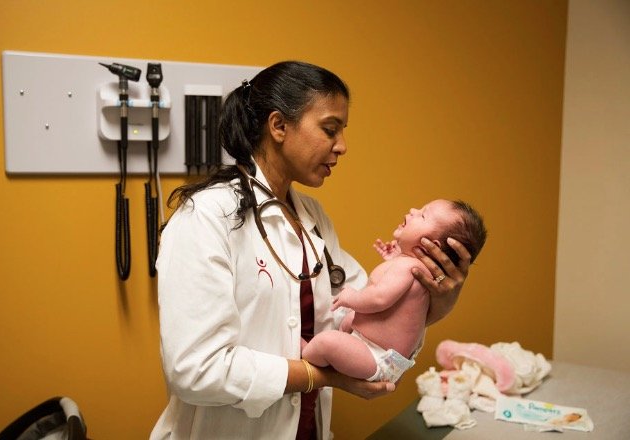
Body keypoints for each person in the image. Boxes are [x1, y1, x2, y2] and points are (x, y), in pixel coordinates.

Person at [150, 61, 473, 440]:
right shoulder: (206, 217)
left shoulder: (312, 217)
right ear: (279, 126)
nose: (343, 146)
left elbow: (367, 316)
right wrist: (319, 375)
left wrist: (441, 300)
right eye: (329, 129)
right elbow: (196, 370)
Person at [302, 199, 487, 384]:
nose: (413, 210)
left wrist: (351, 297)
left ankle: (306, 353)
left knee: (327, 342)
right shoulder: (412, 268)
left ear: (430, 246)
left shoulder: (408, 268)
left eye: (423, 215)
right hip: (375, 351)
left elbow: (379, 298)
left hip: (377, 356)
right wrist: (393, 260)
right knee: (348, 321)